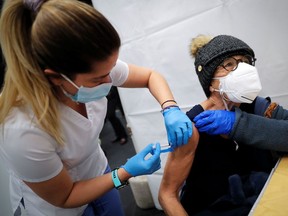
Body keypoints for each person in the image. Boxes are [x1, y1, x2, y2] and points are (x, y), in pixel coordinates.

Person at [0, 1, 193, 215]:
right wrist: (125, 173)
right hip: (59, 207)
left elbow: (150, 76)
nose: (110, 79)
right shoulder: (21, 130)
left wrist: (170, 108)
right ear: (55, 77)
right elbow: (65, 196)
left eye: (111, 69)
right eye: (98, 78)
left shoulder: (94, 69)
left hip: (97, 169)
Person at [159, 34, 288, 216]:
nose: (242, 70)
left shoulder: (259, 107)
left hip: (262, 203)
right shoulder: (193, 126)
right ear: (210, 82)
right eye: (229, 64)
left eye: (245, 62)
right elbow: (167, 195)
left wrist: (239, 124)